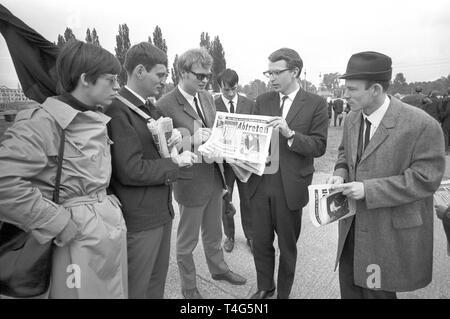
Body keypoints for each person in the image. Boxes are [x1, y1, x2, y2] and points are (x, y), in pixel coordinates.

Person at [0, 40, 128, 298]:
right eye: (111, 79)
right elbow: (4, 181)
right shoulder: (43, 121)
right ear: (85, 79)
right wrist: (53, 220)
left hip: (101, 236)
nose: (117, 86)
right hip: (69, 240)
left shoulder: (93, 115)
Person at [327, 51, 445, 299]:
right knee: (349, 290)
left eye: (352, 89)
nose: (344, 95)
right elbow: (343, 154)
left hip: (387, 233)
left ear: (376, 89)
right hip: (350, 228)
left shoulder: (422, 125)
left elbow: (426, 179)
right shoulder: (351, 119)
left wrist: (368, 190)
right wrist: (340, 173)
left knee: (377, 293)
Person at [105, 42, 197, 299]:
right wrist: (174, 164)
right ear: (140, 71)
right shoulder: (118, 110)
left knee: (156, 284)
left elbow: (156, 150)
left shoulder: (150, 108)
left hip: (161, 211)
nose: (164, 81)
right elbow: (130, 169)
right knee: (138, 287)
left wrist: (174, 141)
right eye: (160, 75)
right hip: (140, 218)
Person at [156, 48, 246, 299]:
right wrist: (192, 140)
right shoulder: (165, 104)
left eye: (208, 75)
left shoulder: (206, 97)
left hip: (214, 177)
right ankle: (188, 286)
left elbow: (216, 130)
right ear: (183, 72)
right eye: (200, 75)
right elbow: (162, 150)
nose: (205, 80)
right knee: (187, 242)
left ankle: (218, 270)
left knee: (214, 233)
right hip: (189, 182)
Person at [248, 48, 328, 299]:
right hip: (260, 183)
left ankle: (283, 292)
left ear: (294, 72)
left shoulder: (316, 103)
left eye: (276, 72)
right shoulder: (262, 101)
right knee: (260, 242)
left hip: (290, 186)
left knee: (286, 245)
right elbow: (250, 138)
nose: (270, 78)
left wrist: (290, 134)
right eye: (268, 72)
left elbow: (319, 145)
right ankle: (265, 286)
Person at [215, 68, 255, 253]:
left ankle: (251, 236)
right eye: (226, 90)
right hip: (224, 165)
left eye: (234, 89)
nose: (230, 93)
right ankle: (229, 235)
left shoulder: (250, 104)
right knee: (226, 200)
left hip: (245, 163)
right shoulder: (212, 105)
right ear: (220, 87)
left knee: (248, 200)